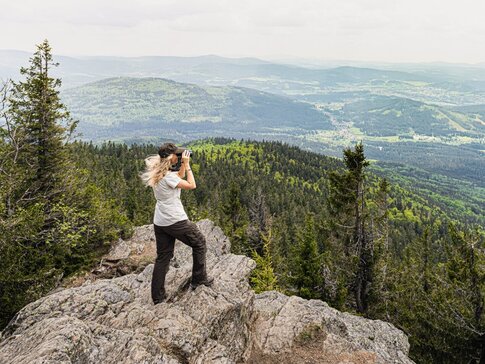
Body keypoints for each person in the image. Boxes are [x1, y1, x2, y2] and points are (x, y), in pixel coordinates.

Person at [140, 142, 214, 305]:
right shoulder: (168, 176)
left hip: (160, 221)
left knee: (163, 257)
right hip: (175, 220)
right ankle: (199, 280)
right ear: (170, 157)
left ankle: (157, 297)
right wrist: (187, 166)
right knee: (199, 243)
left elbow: (177, 178)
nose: (179, 156)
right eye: (177, 155)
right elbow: (191, 185)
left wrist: (181, 166)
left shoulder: (159, 173)